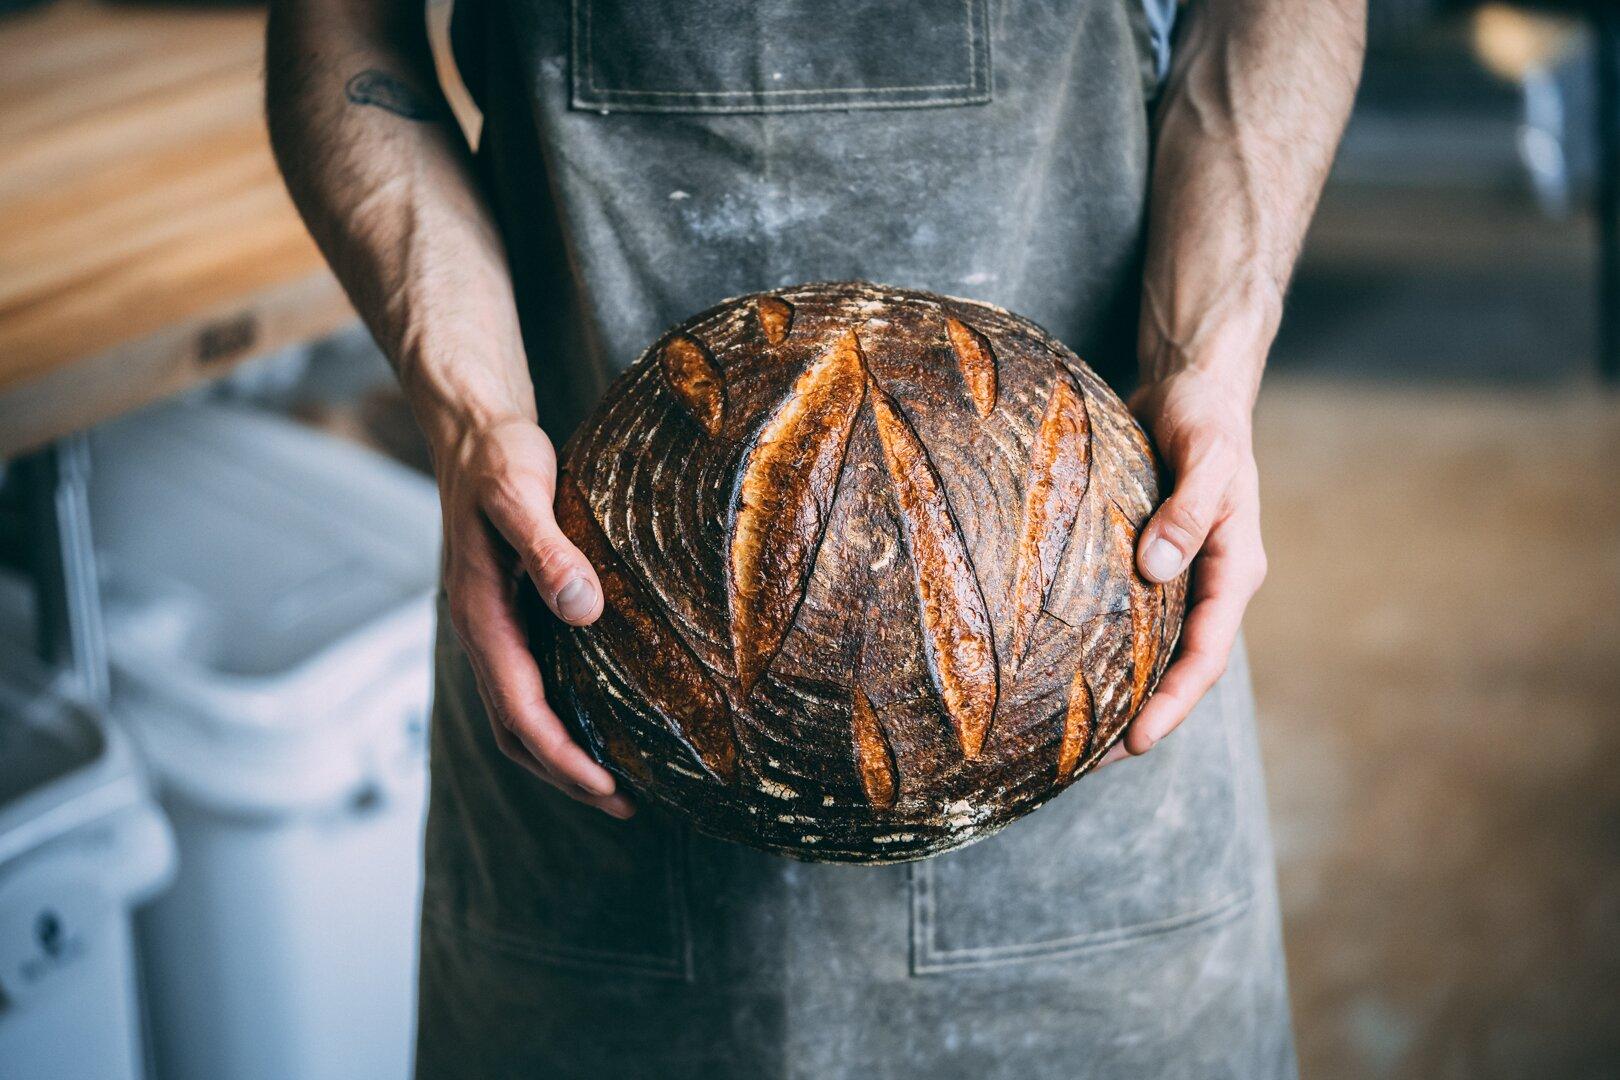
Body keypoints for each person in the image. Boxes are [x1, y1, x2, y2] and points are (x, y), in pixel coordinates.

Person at [266, 1, 1363, 1076]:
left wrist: (1207, 364)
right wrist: (471, 416)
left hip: (1092, 666)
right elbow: (340, 28)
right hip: (581, 652)